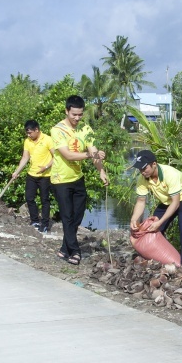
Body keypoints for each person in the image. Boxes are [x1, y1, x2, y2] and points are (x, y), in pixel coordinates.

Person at [50, 95, 108, 265]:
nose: (77, 118)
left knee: (77, 215)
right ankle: (75, 251)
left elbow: (94, 151)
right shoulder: (57, 130)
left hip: (77, 178)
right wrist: (89, 155)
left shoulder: (86, 129)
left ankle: (64, 249)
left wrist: (101, 171)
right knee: (67, 216)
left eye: (80, 115)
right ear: (67, 111)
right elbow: (68, 154)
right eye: (74, 114)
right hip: (60, 179)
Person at [128, 149, 182, 267]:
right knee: (153, 228)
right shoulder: (142, 179)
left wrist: (160, 221)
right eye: (140, 169)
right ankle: (158, 260)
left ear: (154, 164)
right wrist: (134, 219)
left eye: (144, 168)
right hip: (167, 200)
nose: (142, 172)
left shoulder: (170, 174)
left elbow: (176, 203)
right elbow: (141, 201)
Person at [11, 120, 54, 233]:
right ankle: (34, 220)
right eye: (27, 133)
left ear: (37, 130)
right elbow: (25, 157)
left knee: (44, 200)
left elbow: (56, 157)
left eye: (30, 132)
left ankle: (45, 224)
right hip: (32, 174)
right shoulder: (27, 141)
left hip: (45, 175)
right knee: (29, 198)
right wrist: (17, 171)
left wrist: (46, 167)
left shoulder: (48, 139)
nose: (29, 135)